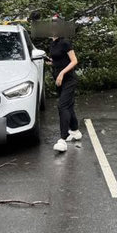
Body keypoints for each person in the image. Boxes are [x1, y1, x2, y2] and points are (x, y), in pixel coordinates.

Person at [49, 23, 80, 153]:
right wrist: (47, 61)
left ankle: (63, 139)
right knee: (68, 106)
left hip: (69, 80)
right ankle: (75, 131)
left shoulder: (65, 42)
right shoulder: (53, 43)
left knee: (62, 106)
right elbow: (57, 60)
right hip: (59, 81)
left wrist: (61, 73)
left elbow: (74, 61)